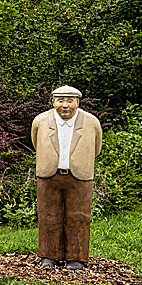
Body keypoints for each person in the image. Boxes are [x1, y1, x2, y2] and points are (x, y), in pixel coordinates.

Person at [31, 85, 102, 270]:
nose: (65, 106)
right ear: (53, 102)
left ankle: (76, 258)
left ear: (78, 102)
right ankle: (48, 256)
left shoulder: (91, 122)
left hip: (80, 176)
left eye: (70, 101)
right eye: (60, 101)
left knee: (79, 217)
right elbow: (35, 142)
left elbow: (97, 148)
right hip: (48, 175)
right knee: (48, 216)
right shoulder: (40, 121)